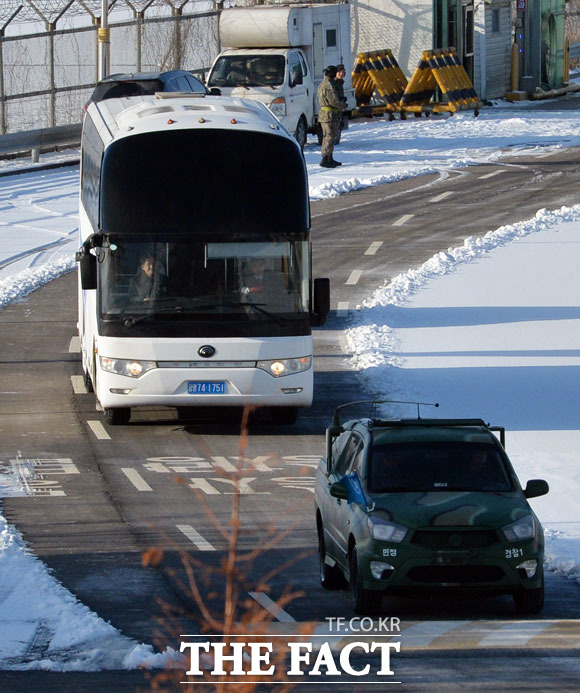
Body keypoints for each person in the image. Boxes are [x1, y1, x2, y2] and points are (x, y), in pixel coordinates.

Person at [317, 65, 346, 168]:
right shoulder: (329, 85)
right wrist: (343, 105)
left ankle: (329, 157)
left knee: (329, 137)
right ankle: (326, 158)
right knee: (329, 137)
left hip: (327, 114)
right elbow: (333, 101)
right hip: (329, 115)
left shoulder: (322, 84)